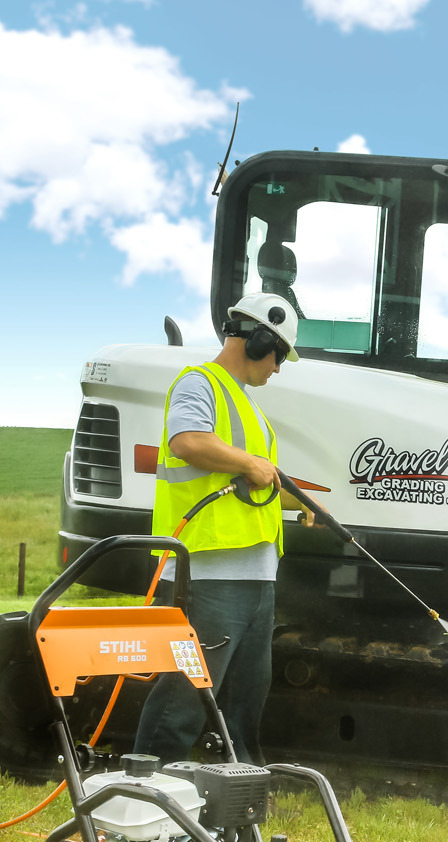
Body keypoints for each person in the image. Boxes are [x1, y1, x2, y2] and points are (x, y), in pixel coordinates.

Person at [134, 292, 306, 766]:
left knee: (247, 699)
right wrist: (252, 462)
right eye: (278, 356)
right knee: (184, 696)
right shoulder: (199, 384)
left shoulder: (247, 405)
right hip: (207, 574)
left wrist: (300, 502)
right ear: (258, 342)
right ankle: (146, 794)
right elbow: (188, 442)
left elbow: (251, 480)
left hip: (254, 578)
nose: (277, 368)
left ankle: (239, 794)